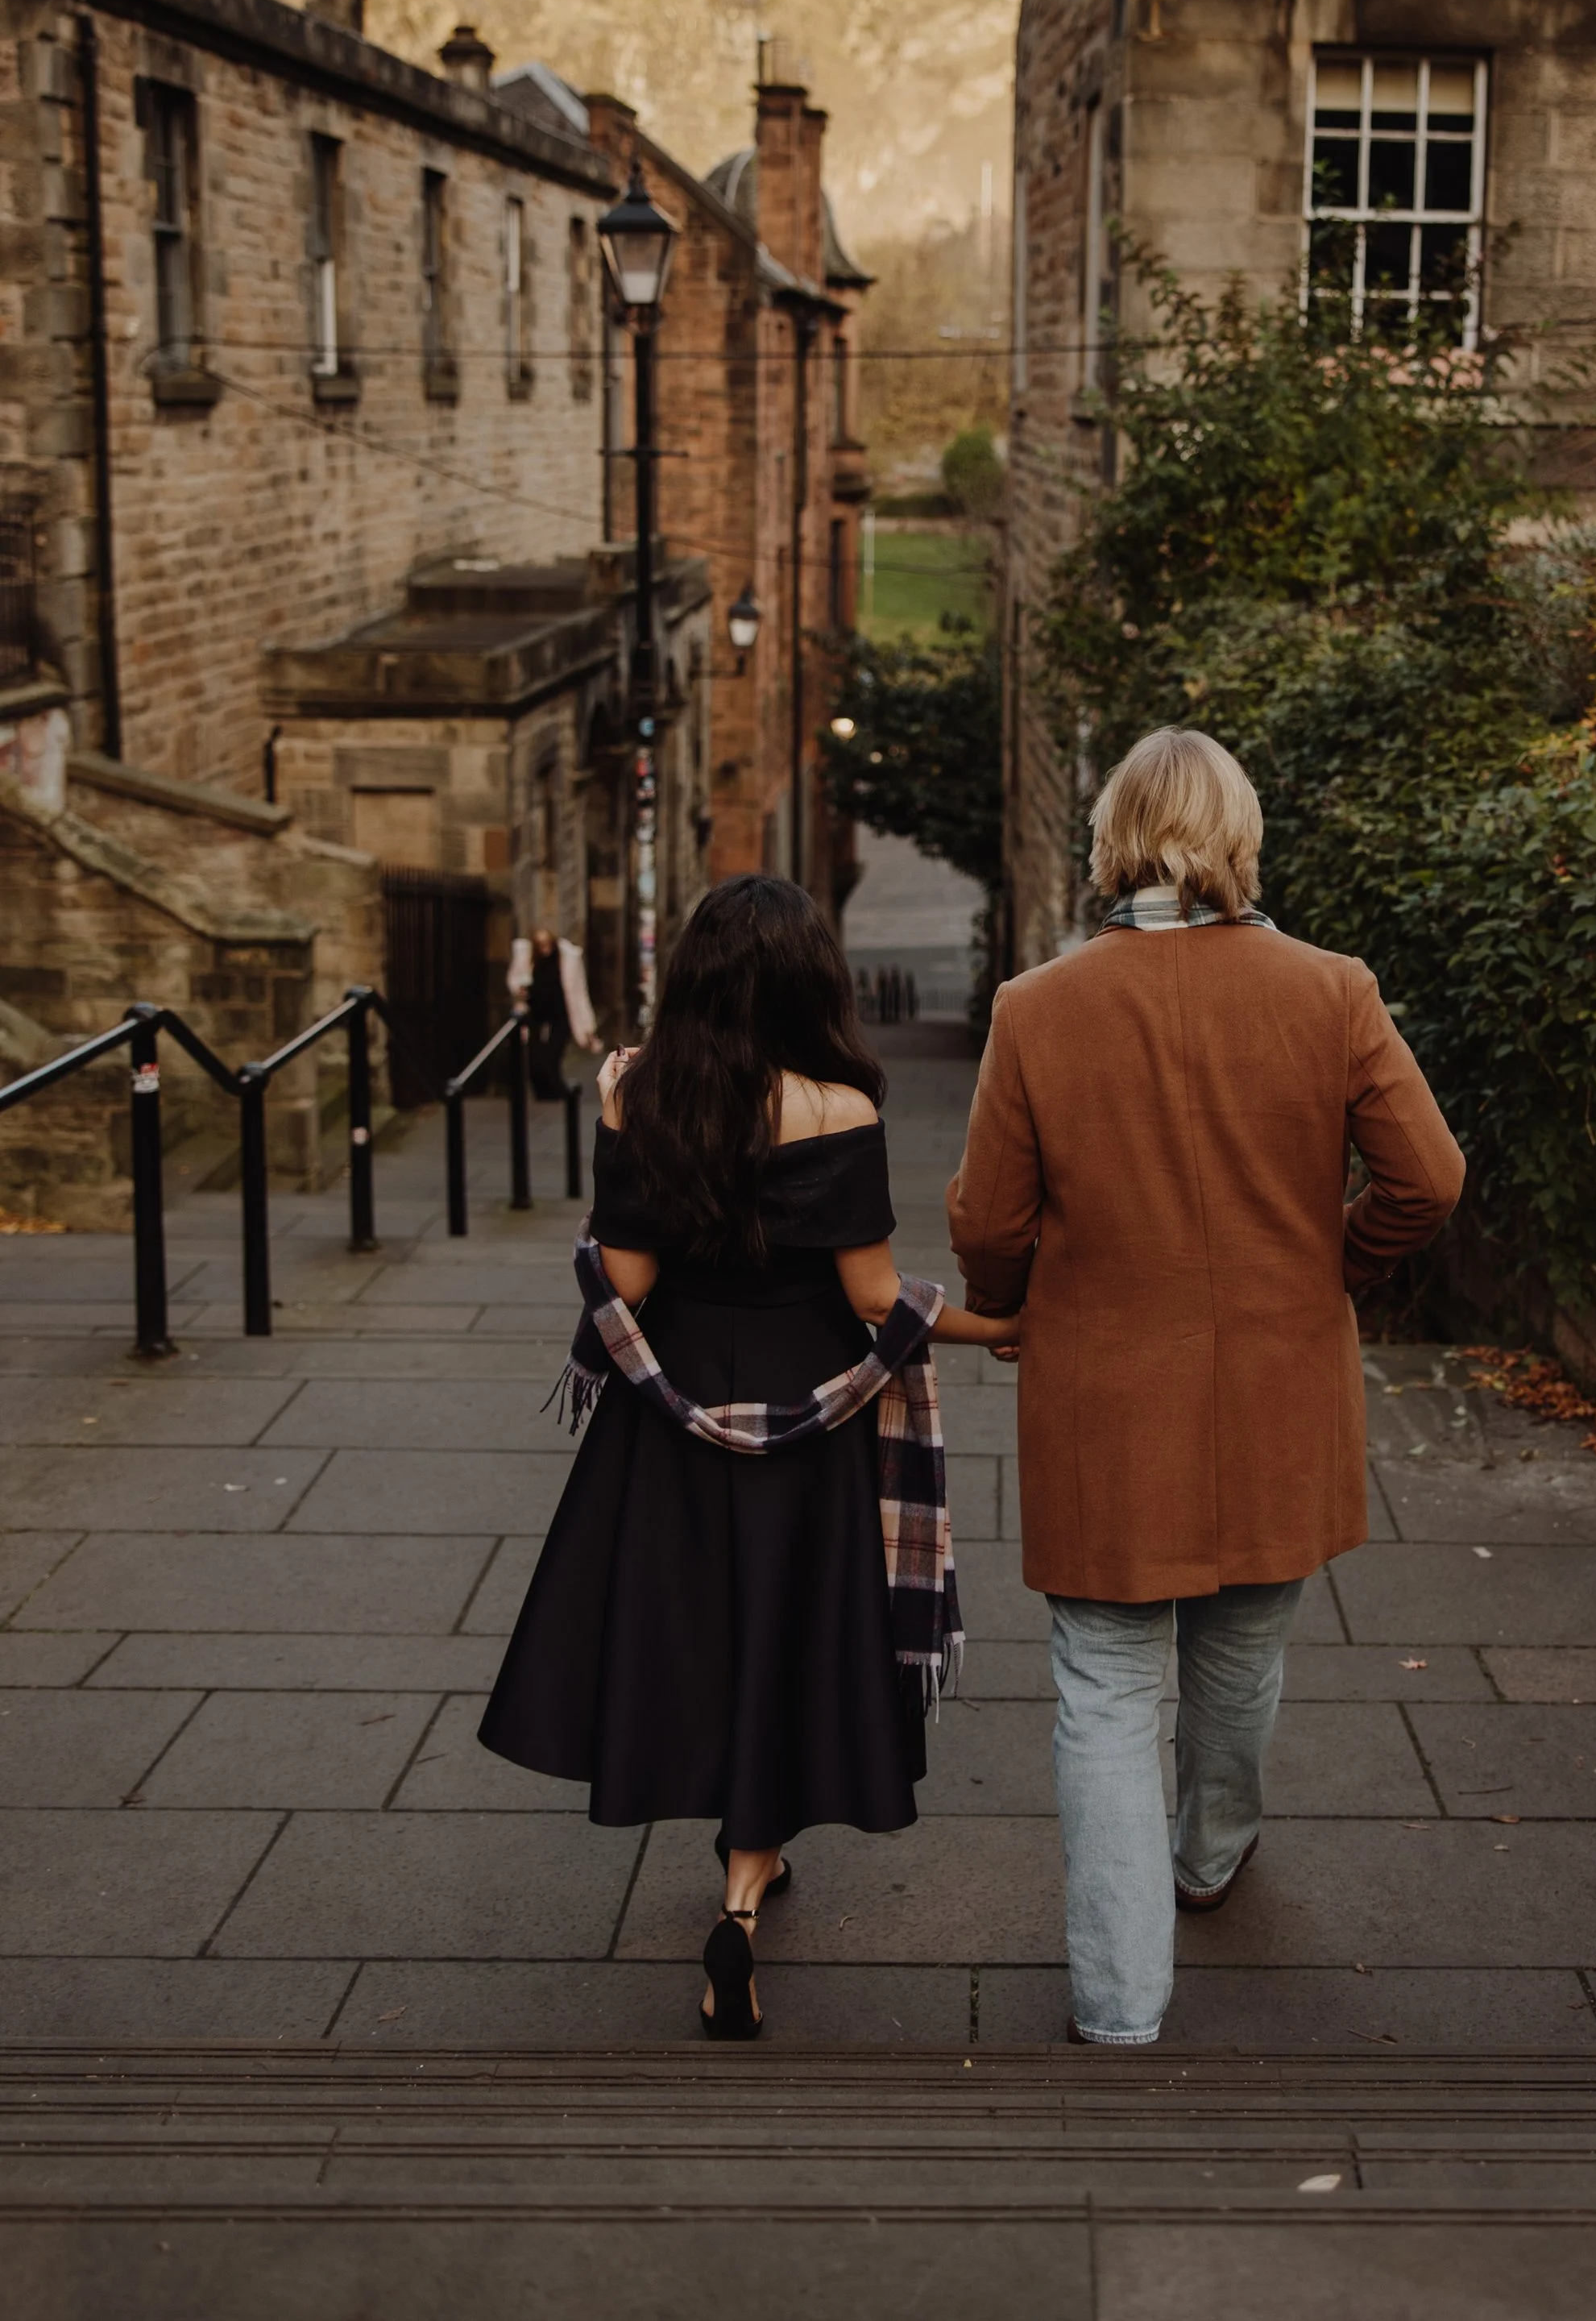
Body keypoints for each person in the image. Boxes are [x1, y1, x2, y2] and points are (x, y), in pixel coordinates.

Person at [947, 726, 1465, 2047]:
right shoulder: (1331, 990)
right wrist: (1326, 1267)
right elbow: (1430, 1178)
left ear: (1114, 839)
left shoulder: (1036, 1009)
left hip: (1108, 1406)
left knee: (1107, 1690)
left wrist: (1008, 1305)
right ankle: (1210, 1856)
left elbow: (991, 1221)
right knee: (1242, 1648)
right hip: (1277, 1397)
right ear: (1237, 838)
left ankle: (1122, 2007)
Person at [479, 873, 1018, 2040]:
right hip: (809, 1416)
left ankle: (739, 1873)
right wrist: (992, 1326)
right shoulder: (841, 1108)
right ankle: (740, 1892)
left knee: (700, 1637)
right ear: (810, 980)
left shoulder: (637, 1095)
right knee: (780, 1642)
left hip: (668, 1418)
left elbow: (622, 1282)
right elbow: (877, 1298)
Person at [508, 926, 599, 1102]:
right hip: (535, 1014)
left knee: (552, 1055)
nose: (545, 949)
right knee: (534, 1057)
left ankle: (561, 1092)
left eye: (547, 944)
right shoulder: (528, 959)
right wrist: (521, 988)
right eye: (540, 945)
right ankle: (543, 1093)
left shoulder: (567, 959)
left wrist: (588, 1025)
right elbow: (514, 979)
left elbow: (579, 992)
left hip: (560, 1014)